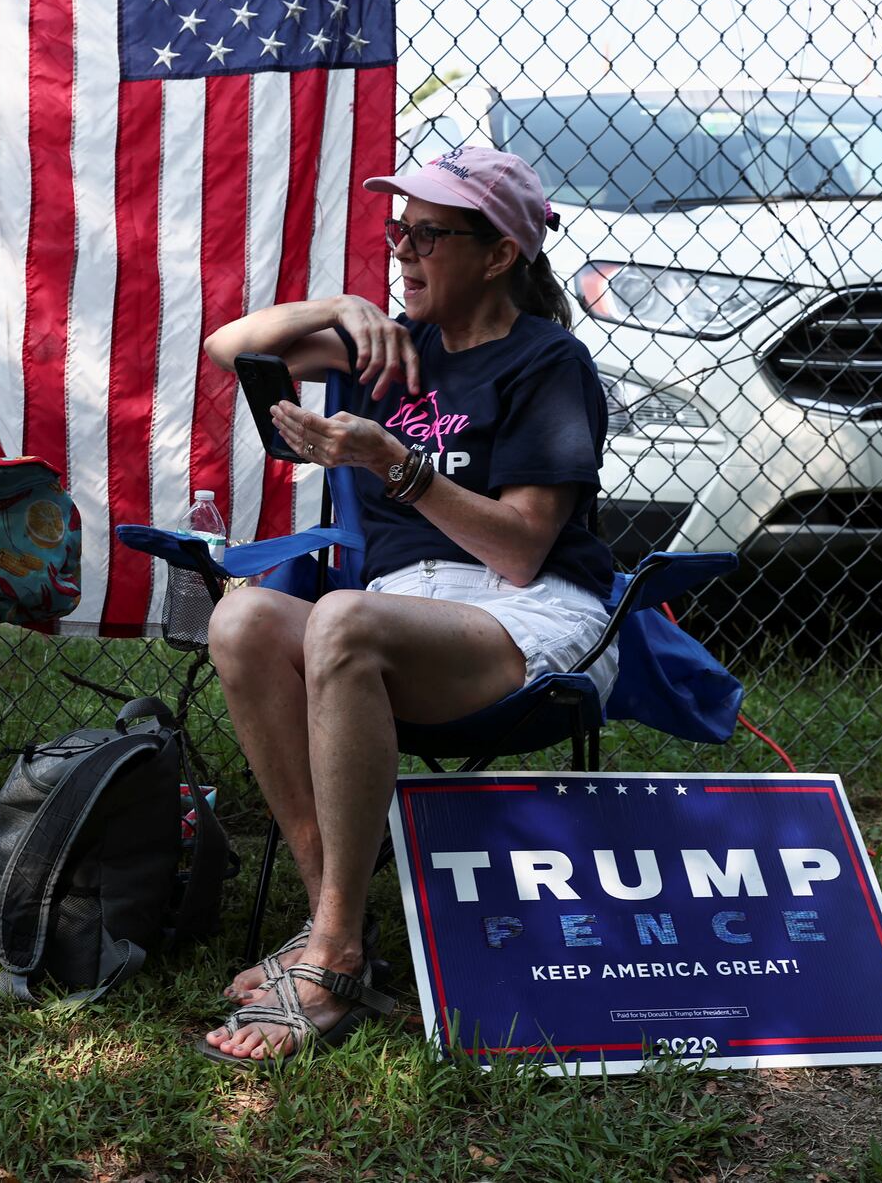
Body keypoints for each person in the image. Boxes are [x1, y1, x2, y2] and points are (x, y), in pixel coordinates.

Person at [196, 146, 617, 1066]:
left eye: (428, 234)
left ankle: (334, 953)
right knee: (242, 619)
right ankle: (330, 925)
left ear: (500, 253)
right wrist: (341, 310)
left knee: (342, 617)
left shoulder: (550, 363)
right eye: (397, 232)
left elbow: (519, 548)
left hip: (528, 614)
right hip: (401, 610)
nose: (402, 252)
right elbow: (230, 346)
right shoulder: (393, 343)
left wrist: (391, 462)